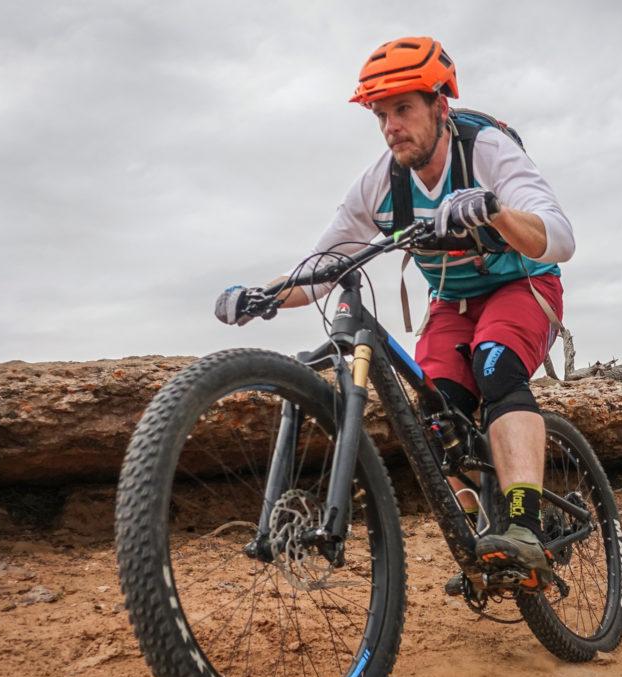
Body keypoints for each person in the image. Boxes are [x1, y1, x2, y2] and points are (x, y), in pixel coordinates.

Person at [215, 36, 575, 584]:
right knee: (434, 413)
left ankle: (524, 527)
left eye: (403, 108)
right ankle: (481, 535)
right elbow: (322, 265)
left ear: (440, 105)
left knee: (496, 365)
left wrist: (495, 211)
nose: (391, 126)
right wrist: (264, 296)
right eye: (381, 114)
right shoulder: (379, 184)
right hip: (451, 302)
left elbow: (560, 238)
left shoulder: (486, 151)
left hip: (523, 285)